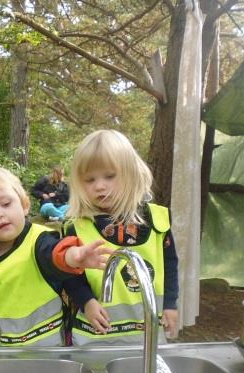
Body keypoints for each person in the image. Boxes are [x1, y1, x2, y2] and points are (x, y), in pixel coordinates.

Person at [0, 164, 113, 359]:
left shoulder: (40, 239)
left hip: (50, 350)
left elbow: (56, 255)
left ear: (24, 205)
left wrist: (75, 256)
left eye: (6, 204)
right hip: (1, 354)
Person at [62, 129, 179, 345]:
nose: (99, 186)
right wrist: (86, 301)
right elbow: (69, 275)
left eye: (110, 176)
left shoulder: (157, 220)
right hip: (94, 336)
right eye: (89, 179)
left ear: (130, 173)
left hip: (146, 335)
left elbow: (169, 265)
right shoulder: (76, 226)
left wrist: (170, 304)